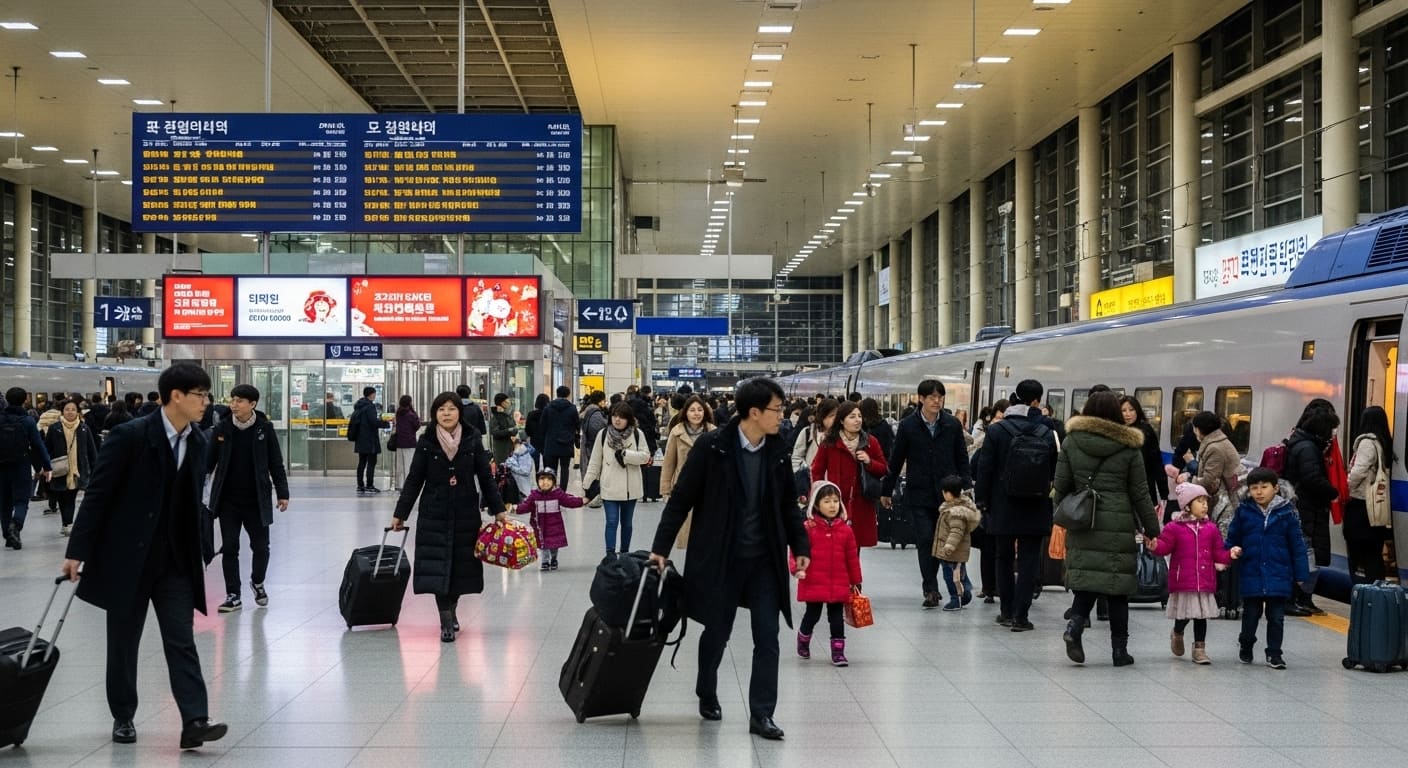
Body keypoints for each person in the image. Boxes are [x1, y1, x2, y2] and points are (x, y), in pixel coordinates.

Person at [61, 364, 227, 750]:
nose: (207, 402)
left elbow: (191, 503)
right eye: (200, 395)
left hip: (174, 563)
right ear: (176, 396)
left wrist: (202, 547)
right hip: (128, 561)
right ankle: (123, 715)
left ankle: (195, 720)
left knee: (181, 639)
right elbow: (99, 495)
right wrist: (77, 552)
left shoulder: (200, 441)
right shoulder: (129, 436)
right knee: (123, 641)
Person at [649, 377, 810, 741]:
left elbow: (787, 503)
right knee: (717, 632)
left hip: (764, 560)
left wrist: (801, 547)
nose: (781, 416)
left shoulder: (778, 448)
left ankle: (762, 714)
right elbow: (681, 498)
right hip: (721, 558)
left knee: (767, 637)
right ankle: (706, 690)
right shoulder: (713, 446)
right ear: (754, 412)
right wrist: (661, 547)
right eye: (777, 410)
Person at [1056, 391, 1160, 667]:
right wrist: (1152, 528)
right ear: (1117, 413)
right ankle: (1119, 652)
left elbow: (1062, 486)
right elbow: (1140, 493)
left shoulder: (1071, 441)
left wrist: (1067, 514)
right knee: (1117, 590)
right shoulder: (1128, 446)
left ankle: (1074, 627)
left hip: (1084, 520)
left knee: (1087, 583)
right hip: (1118, 521)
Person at [391, 392, 505, 643]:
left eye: (451, 409)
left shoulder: (473, 439)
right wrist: (400, 513)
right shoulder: (427, 440)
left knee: (460, 567)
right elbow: (414, 479)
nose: (446, 414)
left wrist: (498, 509)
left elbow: (485, 477)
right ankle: (445, 619)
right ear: (434, 414)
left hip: (465, 512)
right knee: (437, 566)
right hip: (434, 512)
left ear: (459, 413)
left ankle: (452, 608)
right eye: (441, 409)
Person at [973, 380, 1058, 631]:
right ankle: (1022, 616)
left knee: (1004, 557)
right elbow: (1053, 471)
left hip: (1003, 505)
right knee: (1030, 561)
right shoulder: (1046, 430)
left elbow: (984, 469)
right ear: (1036, 401)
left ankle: (1006, 611)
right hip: (1036, 503)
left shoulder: (997, 431)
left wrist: (982, 501)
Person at [880, 380, 970, 609]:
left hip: (948, 494)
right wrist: (887, 490)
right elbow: (896, 458)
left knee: (950, 539)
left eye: (940, 397)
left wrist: (966, 485)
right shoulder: (908, 426)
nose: (936, 401)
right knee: (926, 539)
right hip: (918, 492)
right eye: (931, 397)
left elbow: (961, 456)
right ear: (920, 399)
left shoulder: (951, 424)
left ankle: (957, 584)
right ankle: (930, 588)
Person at [206, 384, 290, 613]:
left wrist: (283, 493)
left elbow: (276, 463)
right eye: (233, 400)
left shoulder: (265, 428)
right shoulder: (222, 429)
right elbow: (207, 463)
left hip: (256, 500)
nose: (234, 404)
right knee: (230, 547)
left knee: (261, 547)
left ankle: (258, 581)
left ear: (252, 404)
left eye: (240, 401)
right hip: (228, 501)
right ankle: (233, 594)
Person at [1225, 467, 1309, 669]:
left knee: (1276, 618)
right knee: (1250, 615)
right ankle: (1246, 643)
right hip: (1251, 571)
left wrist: (1301, 573)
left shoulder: (1287, 513)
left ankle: (1274, 653)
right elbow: (1232, 538)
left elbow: (1297, 545)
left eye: (1264, 487)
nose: (1259, 492)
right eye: (1254, 488)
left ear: (1275, 488)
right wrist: (1230, 551)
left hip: (1278, 573)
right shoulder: (1244, 511)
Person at [1145, 482, 1231, 664]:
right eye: (1199, 501)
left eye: (1205, 501)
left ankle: (1199, 649)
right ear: (1187, 505)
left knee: (1201, 616)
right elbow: (1165, 547)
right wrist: (1155, 546)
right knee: (1185, 614)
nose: (1204, 505)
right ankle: (1178, 631)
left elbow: (1218, 552)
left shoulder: (1211, 529)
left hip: (1205, 580)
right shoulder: (1174, 528)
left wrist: (1228, 555)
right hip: (1184, 580)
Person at [794, 479, 862, 667]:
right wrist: (798, 568)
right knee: (812, 615)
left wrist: (856, 580)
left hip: (839, 582)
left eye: (835, 501)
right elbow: (797, 550)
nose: (832, 505)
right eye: (826, 501)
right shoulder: (808, 528)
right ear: (816, 504)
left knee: (836, 618)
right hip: (814, 580)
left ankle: (838, 652)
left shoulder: (846, 530)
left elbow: (852, 558)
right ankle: (803, 639)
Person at [1282, 400, 1340, 615]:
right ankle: (1293, 599)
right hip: (1305, 509)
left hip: (1305, 508)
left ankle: (1303, 598)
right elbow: (1312, 478)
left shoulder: (1303, 443)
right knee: (1302, 554)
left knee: (1306, 555)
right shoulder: (1308, 448)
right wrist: (1333, 492)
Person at [810, 401, 887, 548]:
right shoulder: (830, 443)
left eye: (859, 416)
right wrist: (818, 497)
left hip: (861, 503)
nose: (857, 420)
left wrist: (869, 461)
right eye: (852, 416)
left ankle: (852, 572)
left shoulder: (870, 442)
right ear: (841, 420)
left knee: (854, 547)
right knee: (835, 545)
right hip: (836, 502)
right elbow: (817, 470)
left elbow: (883, 469)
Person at [582, 401, 652, 555]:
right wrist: (586, 486)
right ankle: (610, 554)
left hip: (630, 487)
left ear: (629, 419)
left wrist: (626, 455)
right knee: (611, 522)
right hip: (609, 486)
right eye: (614, 416)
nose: (617, 420)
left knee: (627, 523)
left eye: (621, 417)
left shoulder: (637, 434)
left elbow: (646, 457)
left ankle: (625, 553)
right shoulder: (603, 435)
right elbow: (594, 461)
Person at [1345, 405, 1395, 584]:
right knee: (1374, 552)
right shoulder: (1384, 442)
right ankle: (1378, 589)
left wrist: (1345, 488)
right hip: (1376, 506)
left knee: (1362, 551)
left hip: (1362, 504)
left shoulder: (1367, 442)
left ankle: (1365, 592)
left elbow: (1358, 472)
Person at [660, 394, 717, 548]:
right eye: (692, 410)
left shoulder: (714, 432)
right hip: (683, 487)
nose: (696, 413)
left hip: (708, 488)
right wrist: (666, 490)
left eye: (699, 410)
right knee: (687, 534)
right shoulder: (677, 432)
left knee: (706, 534)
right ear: (685, 412)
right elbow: (669, 462)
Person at [1, 386, 52, 549]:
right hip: (21, 465)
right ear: (25, 401)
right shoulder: (28, 421)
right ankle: (16, 526)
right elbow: (38, 445)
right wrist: (46, 466)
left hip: (1, 466)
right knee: (21, 500)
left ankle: (7, 535)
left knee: (4, 502)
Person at [44, 398, 97, 537]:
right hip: (60, 469)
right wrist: (46, 466)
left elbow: (91, 450)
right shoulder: (55, 428)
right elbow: (47, 448)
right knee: (62, 497)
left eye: (73, 409)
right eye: (67, 409)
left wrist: (95, 466)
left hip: (77, 469)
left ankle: (68, 523)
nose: (70, 412)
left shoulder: (84, 428)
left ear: (78, 412)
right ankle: (65, 523)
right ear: (62, 411)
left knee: (71, 497)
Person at [515, 467, 582, 571]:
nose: (545, 482)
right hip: (540, 526)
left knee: (554, 545)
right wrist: (515, 509)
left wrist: (582, 501)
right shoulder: (534, 496)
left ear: (553, 482)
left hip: (555, 525)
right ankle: (545, 561)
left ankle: (554, 559)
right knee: (543, 545)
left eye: (548, 480)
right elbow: (526, 506)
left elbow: (569, 501)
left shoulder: (557, 494)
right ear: (538, 481)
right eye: (542, 479)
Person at [934, 474, 980, 611]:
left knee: (951, 577)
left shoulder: (955, 512)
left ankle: (957, 598)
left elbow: (956, 532)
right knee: (959, 574)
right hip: (956, 552)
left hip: (952, 552)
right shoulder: (954, 507)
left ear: (948, 493)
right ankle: (965, 592)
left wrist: (948, 547)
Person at [1183, 411, 1240, 519]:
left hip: (1227, 502)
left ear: (1198, 429)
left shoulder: (1214, 448)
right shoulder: (1219, 441)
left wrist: (1189, 480)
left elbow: (1209, 482)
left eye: (1194, 428)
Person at [1119, 395, 1169, 509]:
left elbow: (1156, 460)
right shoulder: (1116, 431)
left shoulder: (1146, 430)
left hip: (1145, 484)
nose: (1127, 414)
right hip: (1122, 486)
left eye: (1131, 410)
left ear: (1137, 411)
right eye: (1123, 410)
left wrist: (1163, 491)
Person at [791, 399, 838, 496]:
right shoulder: (808, 432)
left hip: (833, 485)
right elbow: (796, 457)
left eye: (837, 415)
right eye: (831, 415)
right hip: (811, 482)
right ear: (822, 416)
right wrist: (801, 475)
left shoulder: (841, 435)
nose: (835, 419)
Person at [539, 385, 580, 487]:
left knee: (552, 469)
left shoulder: (548, 408)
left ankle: (552, 488)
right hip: (566, 442)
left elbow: (542, 426)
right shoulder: (572, 408)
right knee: (565, 468)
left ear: (556, 394)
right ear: (568, 395)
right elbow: (577, 425)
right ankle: (562, 491)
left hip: (551, 442)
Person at [350, 386, 384, 495]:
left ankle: (360, 485)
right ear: (371, 394)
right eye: (374, 393)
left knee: (362, 462)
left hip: (360, 439)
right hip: (370, 439)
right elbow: (373, 422)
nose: (375, 395)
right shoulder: (370, 407)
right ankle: (370, 485)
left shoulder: (359, 406)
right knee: (371, 463)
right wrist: (385, 423)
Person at [391, 395, 421, 491]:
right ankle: (408, 485)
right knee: (408, 465)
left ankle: (399, 485)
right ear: (410, 402)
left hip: (399, 443)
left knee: (400, 465)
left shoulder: (398, 414)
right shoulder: (411, 415)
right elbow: (417, 425)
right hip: (409, 442)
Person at [629, 384, 661, 456]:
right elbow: (649, 422)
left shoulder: (630, 403)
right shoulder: (644, 404)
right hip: (647, 437)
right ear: (649, 392)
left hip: (634, 437)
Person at [504, 435, 538, 502]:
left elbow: (525, 471)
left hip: (526, 492)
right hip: (527, 491)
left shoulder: (522, 453)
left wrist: (510, 465)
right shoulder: (523, 452)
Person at [488, 393, 517, 463]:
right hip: (501, 449)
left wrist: (514, 430)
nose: (509, 404)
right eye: (507, 402)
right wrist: (509, 430)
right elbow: (495, 432)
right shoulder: (496, 417)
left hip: (509, 447)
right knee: (502, 469)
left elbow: (513, 426)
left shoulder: (507, 414)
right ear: (502, 403)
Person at [524, 393, 550, 470]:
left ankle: (536, 478)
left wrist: (531, 434)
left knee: (535, 462)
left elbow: (527, 429)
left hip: (534, 440)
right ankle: (546, 478)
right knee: (547, 463)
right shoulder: (548, 414)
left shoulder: (531, 414)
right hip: (546, 440)